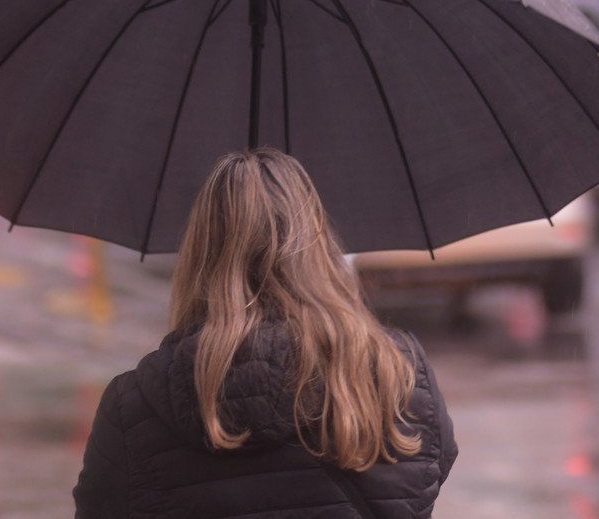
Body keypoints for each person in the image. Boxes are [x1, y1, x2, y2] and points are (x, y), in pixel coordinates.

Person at [74, 149, 458, 518]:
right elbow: (431, 473)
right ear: (318, 244)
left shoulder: (133, 405)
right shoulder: (401, 374)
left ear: (198, 254)